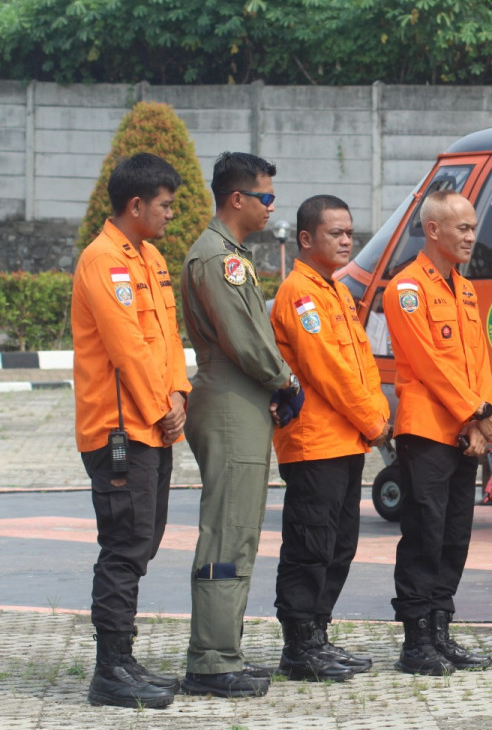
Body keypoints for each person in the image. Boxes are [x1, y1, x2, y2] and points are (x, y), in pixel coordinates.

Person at [180, 151, 306, 698]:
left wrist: (275, 385)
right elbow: (246, 339)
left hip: (242, 399)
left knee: (241, 530)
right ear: (237, 198)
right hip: (231, 400)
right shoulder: (219, 258)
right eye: (265, 197)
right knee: (228, 529)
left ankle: (223, 650)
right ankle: (211, 660)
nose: (271, 207)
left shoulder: (231, 256)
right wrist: (285, 380)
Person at [72, 153, 190, 709]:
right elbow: (126, 348)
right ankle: (110, 669)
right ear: (136, 205)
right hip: (119, 430)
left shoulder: (151, 258)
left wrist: (178, 394)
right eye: (165, 205)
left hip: (152, 425)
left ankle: (124, 659)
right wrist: (161, 407)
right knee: (124, 545)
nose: (171, 213)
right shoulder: (103, 260)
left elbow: (167, 340)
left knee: (142, 541)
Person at [270, 195, 391, 682]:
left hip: (345, 441)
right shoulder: (300, 294)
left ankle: (317, 635)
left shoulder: (336, 291)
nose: (347, 241)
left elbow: (363, 365)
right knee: (310, 545)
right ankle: (299, 646)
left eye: (349, 233)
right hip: (315, 443)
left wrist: (377, 413)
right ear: (305, 239)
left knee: (339, 544)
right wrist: (375, 422)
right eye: (335, 233)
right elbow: (329, 372)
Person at [382, 189, 492, 676]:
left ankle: (439, 631)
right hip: (427, 431)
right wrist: (477, 410)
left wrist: (479, 421)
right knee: (424, 536)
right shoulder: (406, 288)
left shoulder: (465, 289)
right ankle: (415, 642)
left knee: (454, 536)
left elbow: (478, 360)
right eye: (462, 228)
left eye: (473, 227)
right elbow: (429, 364)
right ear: (433, 230)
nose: (472, 236)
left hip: (464, 432)